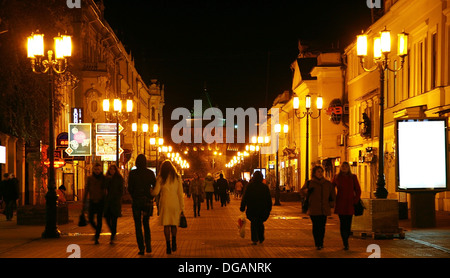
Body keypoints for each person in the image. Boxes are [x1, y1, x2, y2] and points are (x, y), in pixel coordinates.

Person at [152, 159, 185, 254]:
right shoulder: (177, 178)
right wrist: (182, 208)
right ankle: (174, 241)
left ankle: (168, 246)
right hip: (175, 203)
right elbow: (180, 194)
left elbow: (156, 192)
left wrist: (151, 192)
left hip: (165, 203)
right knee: (174, 223)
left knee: (166, 225)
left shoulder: (161, 178)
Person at [301, 165, 336, 250]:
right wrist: (306, 191)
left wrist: (331, 204)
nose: (320, 173)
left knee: (322, 226)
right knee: (316, 226)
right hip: (314, 208)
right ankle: (317, 242)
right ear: (314, 173)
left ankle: (321, 242)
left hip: (324, 208)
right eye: (318, 172)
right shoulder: (310, 183)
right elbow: (302, 191)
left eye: (321, 172)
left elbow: (333, 195)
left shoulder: (327, 183)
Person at [128, 154, 157, 255]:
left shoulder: (132, 173)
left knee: (137, 225)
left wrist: (134, 195)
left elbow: (129, 188)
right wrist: (150, 196)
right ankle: (148, 246)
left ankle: (141, 247)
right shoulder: (150, 173)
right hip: (146, 201)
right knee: (146, 223)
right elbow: (155, 185)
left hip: (136, 201)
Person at [332, 161, 361, 250]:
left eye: (346, 166)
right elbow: (331, 188)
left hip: (350, 204)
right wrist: (333, 198)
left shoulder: (353, 177)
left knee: (348, 223)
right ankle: (345, 242)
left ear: (349, 168)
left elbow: (358, 190)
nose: (344, 168)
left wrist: (355, 201)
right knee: (342, 223)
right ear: (340, 168)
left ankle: (346, 238)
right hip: (341, 203)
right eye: (343, 166)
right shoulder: (337, 177)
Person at [240, 171, 272, 245]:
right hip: (262, 209)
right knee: (260, 223)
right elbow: (268, 199)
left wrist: (242, 206)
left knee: (254, 223)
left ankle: (254, 239)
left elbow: (245, 197)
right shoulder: (264, 187)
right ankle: (261, 237)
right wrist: (269, 208)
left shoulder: (250, 186)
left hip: (252, 208)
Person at [83, 163, 106, 244]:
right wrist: (84, 200)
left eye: (98, 169)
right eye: (95, 169)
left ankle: (96, 237)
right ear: (93, 170)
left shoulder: (103, 178)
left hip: (101, 201)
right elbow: (87, 189)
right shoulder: (90, 178)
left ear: (101, 170)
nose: (97, 171)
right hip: (92, 201)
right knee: (90, 218)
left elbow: (106, 189)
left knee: (99, 219)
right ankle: (97, 230)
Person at [104, 164, 124, 244]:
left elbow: (121, 190)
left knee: (114, 219)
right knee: (107, 218)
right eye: (110, 169)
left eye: (113, 169)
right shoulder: (107, 178)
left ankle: (113, 235)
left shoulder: (119, 178)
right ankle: (113, 231)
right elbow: (104, 187)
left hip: (115, 201)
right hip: (108, 201)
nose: (112, 171)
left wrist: (118, 197)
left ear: (116, 170)